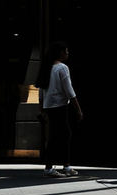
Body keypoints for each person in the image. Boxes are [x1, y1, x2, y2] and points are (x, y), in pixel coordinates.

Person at [35, 41, 83, 178]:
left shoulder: (47, 67)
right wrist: (78, 110)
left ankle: (66, 166)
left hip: (49, 106)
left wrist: (41, 110)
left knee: (65, 133)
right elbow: (69, 91)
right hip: (60, 106)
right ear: (61, 52)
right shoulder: (62, 68)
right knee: (56, 137)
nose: (68, 53)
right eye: (66, 51)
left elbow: (41, 92)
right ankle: (49, 168)